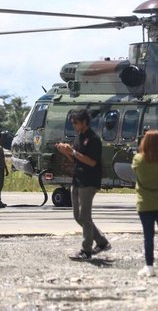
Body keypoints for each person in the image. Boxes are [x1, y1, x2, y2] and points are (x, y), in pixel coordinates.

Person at [56, 109, 111, 260]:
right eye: (73, 122)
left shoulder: (93, 139)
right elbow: (76, 159)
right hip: (78, 179)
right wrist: (66, 152)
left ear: (84, 122)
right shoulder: (79, 137)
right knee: (78, 216)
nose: (74, 125)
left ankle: (86, 250)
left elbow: (92, 162)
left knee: (85, 216)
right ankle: (102, 241)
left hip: (89, 181)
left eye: (76, 122)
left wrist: (72, 152)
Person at [132, 130, 158, 277]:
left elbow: (136, 173)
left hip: (145, 203)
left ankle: (149, 267)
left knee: (148, 236)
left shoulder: (138, 159)